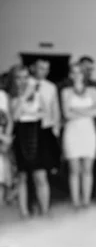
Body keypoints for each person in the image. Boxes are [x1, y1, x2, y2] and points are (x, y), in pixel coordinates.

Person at [11, 65, 52, 217]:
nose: (22, 81)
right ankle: (24, 212)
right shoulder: (13, 96)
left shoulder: (38, 94)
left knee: (40, 175)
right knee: (22, 176)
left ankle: (45, 211)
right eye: (18, 77)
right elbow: (14, 116)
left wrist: (31, 111)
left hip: (37, 134)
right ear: (14, 80)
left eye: (25, 77)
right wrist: (24, 99)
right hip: (21, 135)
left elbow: (45, 112)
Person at [61, 64, 96, 210]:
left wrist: (77, 111)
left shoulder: (93, 90)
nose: (77, 75)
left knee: (87, 168)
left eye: (79, 72)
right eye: (73, 72)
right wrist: (87, 111)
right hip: (72, 131)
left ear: (84, 74)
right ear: (70, 75)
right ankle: (75, 201)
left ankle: (86, 201)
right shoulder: (66, 92)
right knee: (74, 169)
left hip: (88, 131)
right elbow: (66, 114)